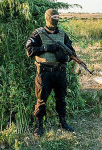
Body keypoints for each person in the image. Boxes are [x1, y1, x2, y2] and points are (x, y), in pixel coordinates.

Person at [25, 9, 75, 137]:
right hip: (44, 73)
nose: (56, 18)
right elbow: (29, 50)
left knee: (61, 98)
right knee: (41, 100)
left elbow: (72, 53)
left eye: (58, 16)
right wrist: (45, 48)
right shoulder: (38, 34)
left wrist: (65, 58)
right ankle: (39, 126)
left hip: (60, 72)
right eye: (54, 16)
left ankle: (63, 122)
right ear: (47, 17)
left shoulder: (63, 35)